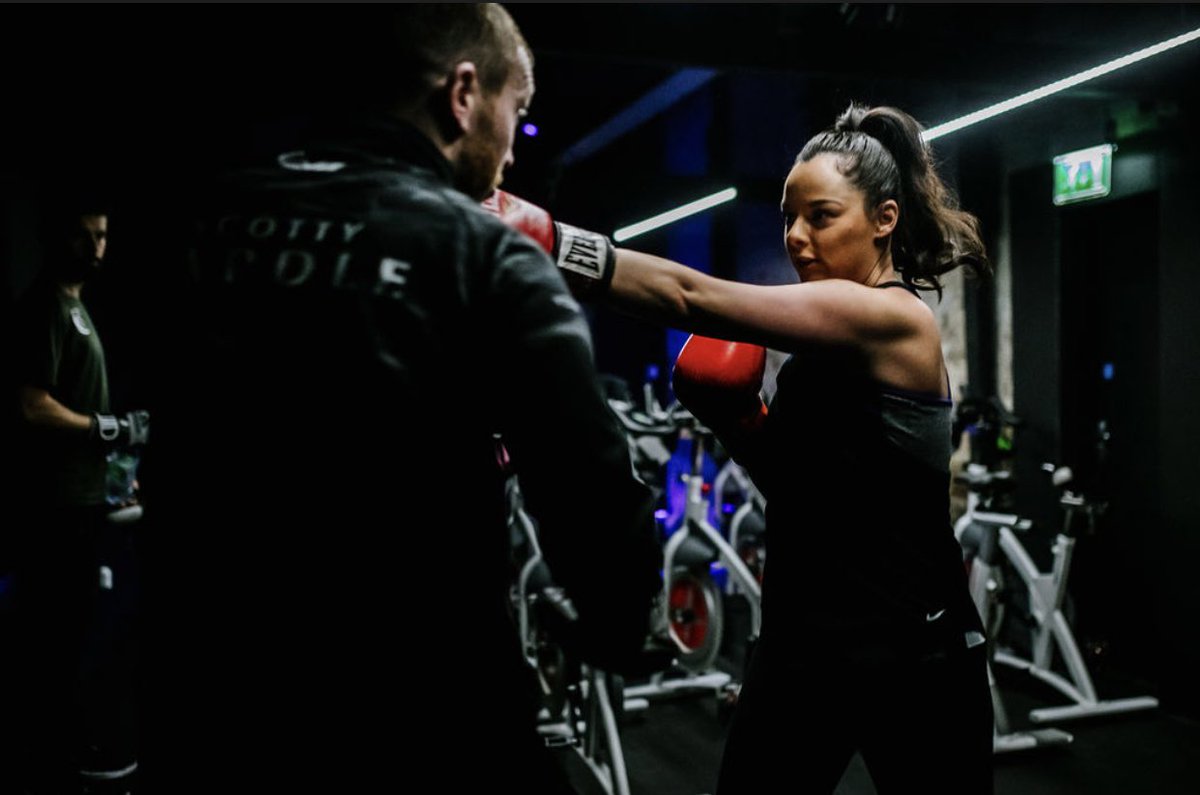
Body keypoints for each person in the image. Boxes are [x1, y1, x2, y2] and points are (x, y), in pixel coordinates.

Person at [135, 5, 661, 792]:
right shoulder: (483, 256)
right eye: (515, 110)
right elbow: (590, 489)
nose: (514, 146)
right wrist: (616, 621)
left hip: (206, 697)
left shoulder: (196, 223)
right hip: (416, 705)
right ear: (463, 93)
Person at [490, 103, 995, 793]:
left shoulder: (895, 318)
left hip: (914, 650)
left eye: (821, 216)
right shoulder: (817, 349)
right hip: (804, 639)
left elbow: (688, 294)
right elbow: (798, 489)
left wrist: (548, 239)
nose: (796, 237)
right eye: (788, 218)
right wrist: (741, 422)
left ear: (884, 218)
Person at [6, 203, 147, 793]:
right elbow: (30, 405)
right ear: (54, 238)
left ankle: (62, 744)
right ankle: (53, 759)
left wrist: (117, 471)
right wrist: (104, 429)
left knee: (76, 627)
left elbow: (85, 407)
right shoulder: (45, 306)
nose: (96, 249)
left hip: (84, 497)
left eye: (104, 236)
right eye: (84, 237)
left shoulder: (76, 305)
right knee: (57, 632)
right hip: (55, 504)